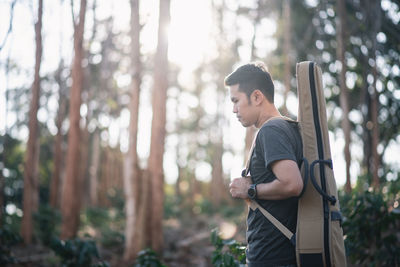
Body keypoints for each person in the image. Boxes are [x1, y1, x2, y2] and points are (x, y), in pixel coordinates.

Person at [225, 62, 303, 267]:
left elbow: (292, 184)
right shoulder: (287, 128)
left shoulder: (271, 131)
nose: (234, 109)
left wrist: (249, 190)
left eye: (236, 101)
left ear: (257, 97)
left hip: (273, 259)